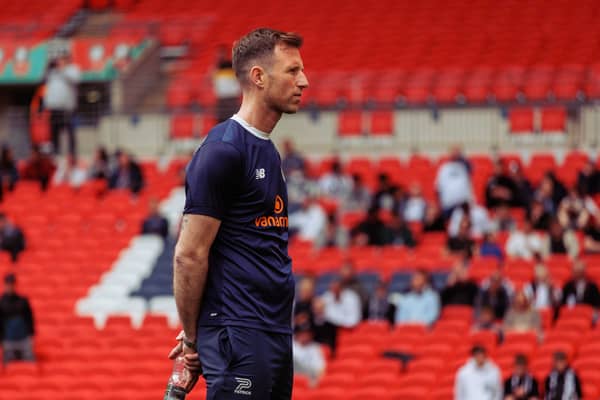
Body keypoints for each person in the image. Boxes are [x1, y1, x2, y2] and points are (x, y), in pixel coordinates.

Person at [168, 28, 309, 399]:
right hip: (238, 331)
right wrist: (193, 337)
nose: (304, 81)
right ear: (259, 77)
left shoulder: (268, 151)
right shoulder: (222, 150)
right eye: (292, 71)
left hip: (273, 330)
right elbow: (189, 254)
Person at [43, 51, 81, 156]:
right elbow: (44, 80)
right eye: (58, 59)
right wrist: (49, 67)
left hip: (67, 107)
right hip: (54, 107)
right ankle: (55, 151)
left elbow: (75, 79)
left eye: (62, 59)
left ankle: (72, 152)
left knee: (70, 131)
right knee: (54, 131)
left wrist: (62, 70)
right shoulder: (52, 72)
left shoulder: (73, 69)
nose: (59, 61)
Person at [0, 274, 35, 363]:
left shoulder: (22, 301)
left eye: (12, 284)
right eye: (8, 284)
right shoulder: (1, 302)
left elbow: (29, 318)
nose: (10, 286)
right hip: (8, 338)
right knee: (8, 364)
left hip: (23, 338)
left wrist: (31, 335)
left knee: (29, 362)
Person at [435, 146, 473, 217]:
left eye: (457, 151)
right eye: (453, 151)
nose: (455, 153)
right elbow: (438, 187)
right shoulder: (444, 167)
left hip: (463, 204)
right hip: (448, 204)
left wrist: (461, 157)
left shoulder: (464, 166)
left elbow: (471, 168)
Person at [292, 321, 325, 387]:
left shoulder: (315, 348)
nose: (305, 335)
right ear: (297, 334)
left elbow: (320, 369)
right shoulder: (291, 345)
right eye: (302, 333)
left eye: (307, 333)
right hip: (293, 377)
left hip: (308, 376)